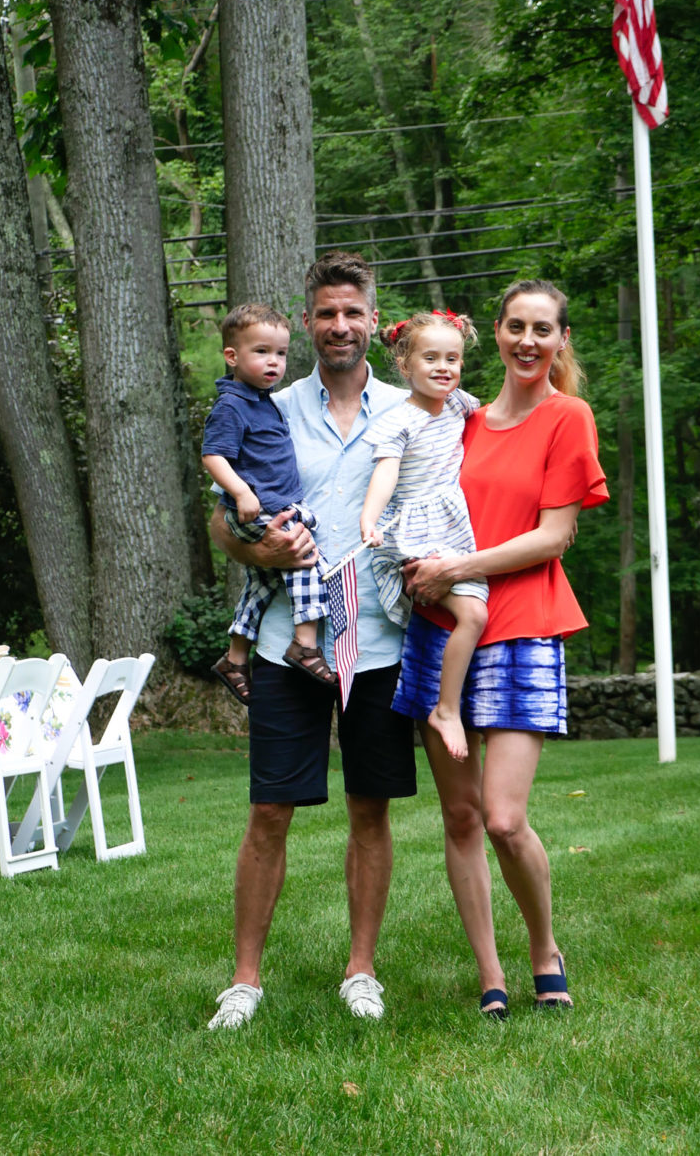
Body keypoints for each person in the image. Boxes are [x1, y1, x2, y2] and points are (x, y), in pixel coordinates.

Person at [205, 252, 415, 1031]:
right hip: (280, 643)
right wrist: (258, 552)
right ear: (307, 322)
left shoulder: (405, 408)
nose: (339, 326)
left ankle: (361, 970)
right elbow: (222, 520)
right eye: (325, 313)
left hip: (378, 644)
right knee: (270, 812)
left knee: (371, 809)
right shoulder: (268, 398)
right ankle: (245, 980)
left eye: (351, 312)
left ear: (371, 316)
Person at [399, 278, 608, 1017]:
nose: (527, 340)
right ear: (497, 329)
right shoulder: (463, 418)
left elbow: (554, 534)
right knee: (458, 816)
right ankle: (490, 974)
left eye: (542, 329)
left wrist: (457, 566)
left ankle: (543, 945)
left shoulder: (567, 416)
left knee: (503, 817)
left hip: (523, 625)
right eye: (515, 326)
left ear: (560, 339)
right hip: (442, 630)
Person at [358, 310, 489, 764]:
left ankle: (448, 707)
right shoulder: (398, 420)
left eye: (452, 358)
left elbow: (502, 419)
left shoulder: (460, 404)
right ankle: (445, 710)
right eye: (430, 357)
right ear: (404, 364)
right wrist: (369, 519)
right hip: (416, 527)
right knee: (472, 613)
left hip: (452, 527)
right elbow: (386, 473)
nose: (443, 367)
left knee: (472, 615)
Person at [201, 302, 338, 704]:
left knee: (262, 585)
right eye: (261, 352)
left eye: (280, 353)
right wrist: (242, 493)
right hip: (259, 508)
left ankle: (234, 657)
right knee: (308, 563)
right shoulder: (232, 405)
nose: (273, 362)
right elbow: (213, 455)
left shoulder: (263, 401)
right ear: (232, 356)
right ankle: (305, 645)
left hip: (275, 504)